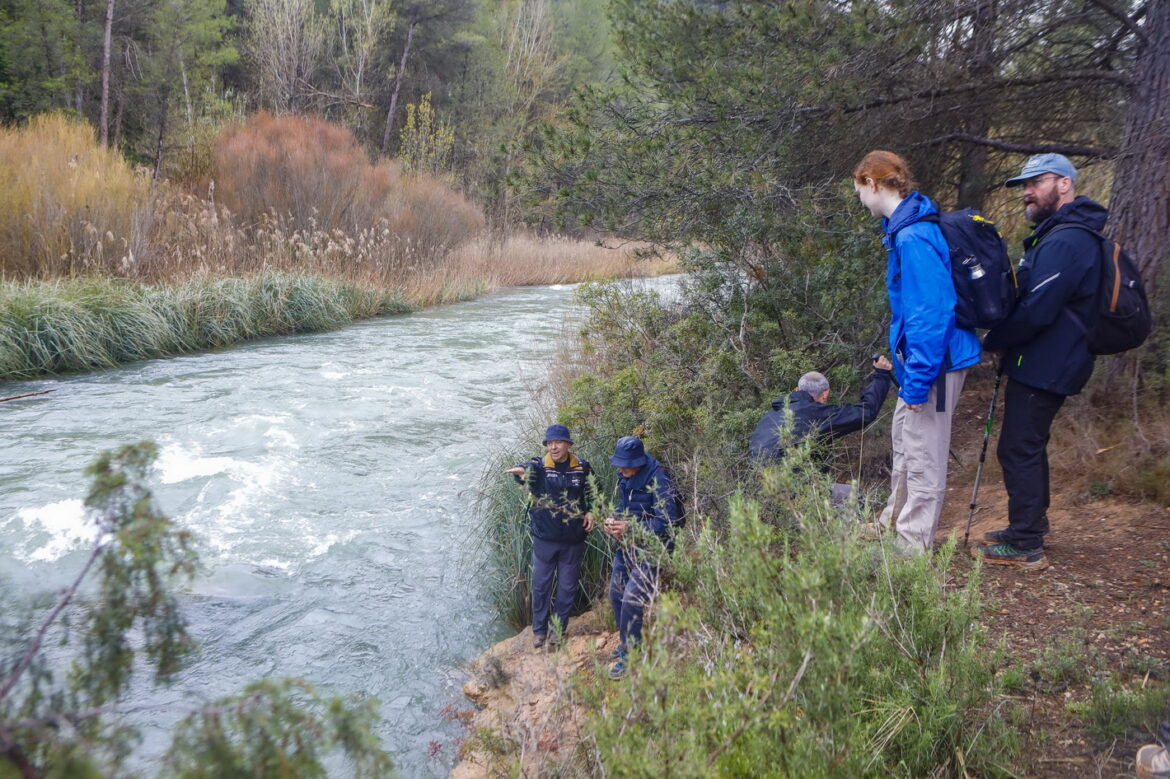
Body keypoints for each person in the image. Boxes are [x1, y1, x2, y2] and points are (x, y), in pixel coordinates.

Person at [979, 153, 1108, 570]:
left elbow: (1038, 308)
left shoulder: (1069, 239)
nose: (1027, 192)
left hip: (1051, 361)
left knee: (1018, 447)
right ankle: (1032, 524)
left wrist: (996, 340)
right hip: (1047, 357)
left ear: (1065, 184)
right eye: (1024, 185)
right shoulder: (1061, 234)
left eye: (1036, 182)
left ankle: (1026, 542)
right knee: (1026, 445)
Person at [852, 150, 982, 554]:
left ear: (873, 183)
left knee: (924, 456)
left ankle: (911, 551)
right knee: (905, 442)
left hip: (936, 364)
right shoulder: (904, 227)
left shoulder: (913, 235)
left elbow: (932, 314)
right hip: (921, 364)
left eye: (858, 189)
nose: (859, 199)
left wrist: (918, 381)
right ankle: (893, 522)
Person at [748, 356, 894, 504]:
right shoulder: (816, 413)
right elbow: (865, 413)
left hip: (759, 490)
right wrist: (881, 376)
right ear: (825, 394)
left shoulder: (770, 415)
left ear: (797, 390)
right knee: (855, 496)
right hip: (794, 491)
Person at [506, 424, 595, 649]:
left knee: (567, 587)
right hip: (545, 538)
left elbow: (594, 491)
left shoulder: (582, 467)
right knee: (541, 586)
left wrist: (591, 510)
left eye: (558, 442)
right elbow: (529, 470)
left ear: (568, 444)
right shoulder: (540, 465)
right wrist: (521, 473)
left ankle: (558, 631)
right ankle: (539, 631)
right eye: (549, 443)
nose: (553, 447)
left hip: (574, 540)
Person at [601, 436, 681, 680]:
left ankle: (632, 655)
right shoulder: (625, 474)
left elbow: (668, 522)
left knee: (631, 598)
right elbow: (625, 506)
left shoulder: (660, 478)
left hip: (654, 548)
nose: (622, 470)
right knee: (616, 593)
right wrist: (613, 519)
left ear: (638, 461)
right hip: (628, 544)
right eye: (619, 465)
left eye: (626, 465)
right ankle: (627, 643)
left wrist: (631, 528)